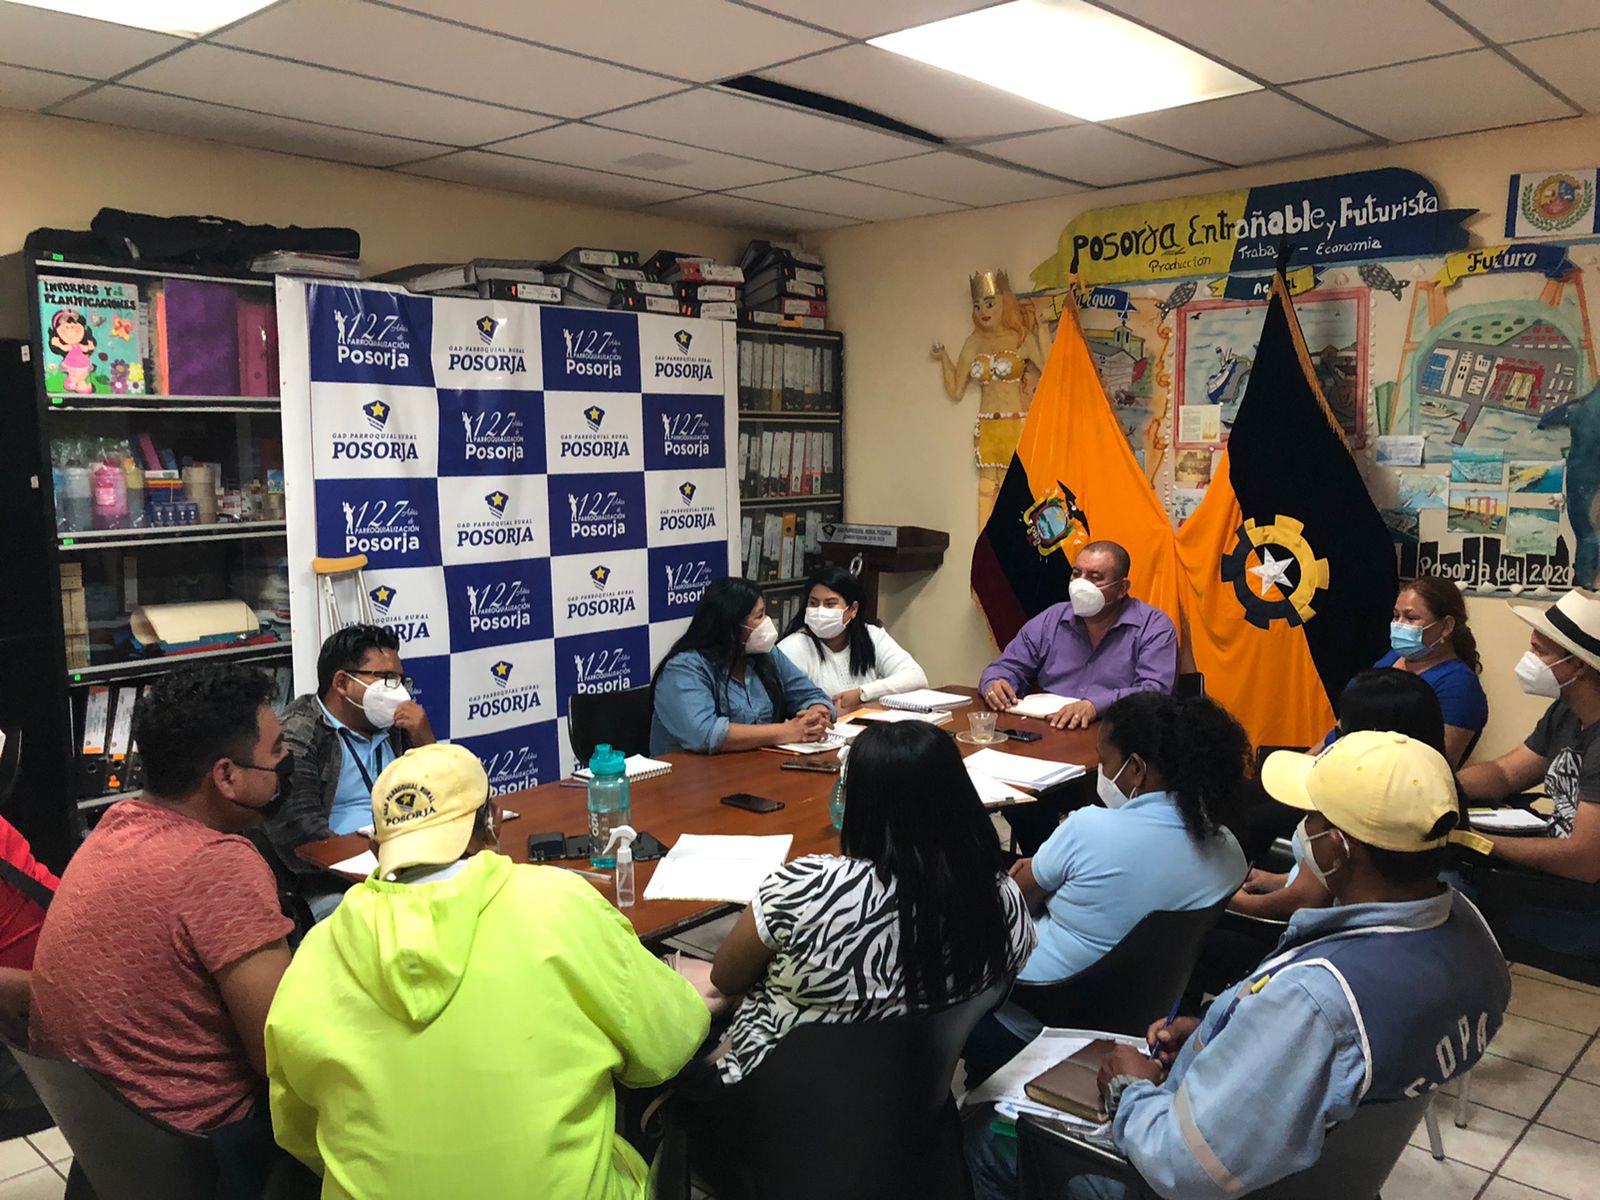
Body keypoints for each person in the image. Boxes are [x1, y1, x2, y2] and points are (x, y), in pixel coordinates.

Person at [967, 731, 1509, 1200]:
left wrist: (1128, 1089)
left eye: (1312, 818)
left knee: (986, 1138)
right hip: (1321, 1175)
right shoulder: (1471, 935)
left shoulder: (1315, 1002)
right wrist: (1222, 1030)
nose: (1303, 829)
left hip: (1189, 1179)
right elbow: (1329, 1062)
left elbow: (1180, 1167)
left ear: (1338, 848)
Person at [265, 744, 709, 1199]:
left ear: (378, 848)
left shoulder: (316, 953)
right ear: (493, 822)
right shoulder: (558, 904)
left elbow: (300, 1132)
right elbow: (667, 1048)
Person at [31, 665, 293, 1138]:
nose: (287, 760)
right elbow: (282, 1053)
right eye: (276, 751)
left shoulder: (116, 824)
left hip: (116, 1140)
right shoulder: (220, 864)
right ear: (226, 776)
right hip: (206, 1142)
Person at [700, 720, 1035, 1085]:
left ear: (858, 801)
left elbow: (725, 977)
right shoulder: (1004, 898)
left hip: (773, 1095)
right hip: (914, 1095)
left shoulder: (806, 889)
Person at [963, 694, 1248, 1083]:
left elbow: (1011, 903)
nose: (1102, 773)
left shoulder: (1088, 829)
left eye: (1104, 762)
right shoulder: (1229, 853)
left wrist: (1043, 873)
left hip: (1028, 1017)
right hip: (1140, 1024)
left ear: (1136, 769)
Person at [1235, 668, 1448, 922]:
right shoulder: (1432, 794)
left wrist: (1226, 899)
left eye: (1341, 731)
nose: (1334, 735)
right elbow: (1324, 881)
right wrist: (1277, 880)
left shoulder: (1365, 805)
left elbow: (1307, 900)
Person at [1457, 590, 1600, 952]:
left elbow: (1585, 861)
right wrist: (1439, 784)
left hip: (1585, 902)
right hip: (1562, 878)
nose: (1528, 658)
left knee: (1449, 890)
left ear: (1578, 666)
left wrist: (1474, 840)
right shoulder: (1566, 712)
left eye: (1540, 651)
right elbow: (1505, 774)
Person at [264, 625, 435, 916]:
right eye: (386, 678)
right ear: (342, 683)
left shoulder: (399, 724)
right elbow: (302, 837)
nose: (400, 692)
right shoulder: (298, 734)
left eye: (400, 679)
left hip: (407, 858)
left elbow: (443, 799)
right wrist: (381, 867)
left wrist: (426, 744)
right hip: (330, 877)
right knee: (359, 918)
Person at [979, 541, 1176, 732]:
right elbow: (1006, 667)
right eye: (1076, 574)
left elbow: (1154, 692)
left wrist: (1094, 706)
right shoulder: (1052, 619)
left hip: (1117, 734)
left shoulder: (1153, 626)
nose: (1081, 584)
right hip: (1049, 730)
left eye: (1095, 577)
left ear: (1122, 588)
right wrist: (995, 682)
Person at [651, 577, 834, 755]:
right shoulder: (683, 669)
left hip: (754, 765)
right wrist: (787, 731)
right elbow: (705, 734)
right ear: (731, 626)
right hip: (687, 772)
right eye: (759, 616)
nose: (767, 622)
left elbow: (810, 694)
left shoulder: (766, 654)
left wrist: (816, 714)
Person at [1322, 576, 1485, 767]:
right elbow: (1345, 723)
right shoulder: (1392, 658)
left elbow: (1435, 766)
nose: (1399, 624)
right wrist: (1308, 760)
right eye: (1396, 615)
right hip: (1335, 762)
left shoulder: (1459, 685)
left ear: (1446, 626)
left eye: (1411, 618)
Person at [775, 564, 928, 712]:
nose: (820, 611)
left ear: (853, 609)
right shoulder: (792, 647)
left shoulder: (871, 635)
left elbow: (916, 677)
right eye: (813, 603)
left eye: (830, 604)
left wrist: (862, 693)